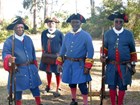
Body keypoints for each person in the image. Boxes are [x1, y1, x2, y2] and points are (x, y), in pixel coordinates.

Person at [2, 17, 43, 105]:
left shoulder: (28, 39)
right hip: (18, 69)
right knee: (18, 89)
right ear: (14, 29)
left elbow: (33, 53)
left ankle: (39, 103)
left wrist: (35, 65)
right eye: (18, 27)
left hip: (31, 68)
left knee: (35, 87)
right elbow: (5, 53)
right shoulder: (9, 41)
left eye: (21, 27)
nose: (20, 29)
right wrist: (9, 58)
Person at [56, 13, 94, 105]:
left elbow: (91, 52)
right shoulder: (67, 36)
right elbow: (62, 50)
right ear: (71, 23)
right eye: (73, 22)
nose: (75, 24)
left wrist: (87, 66)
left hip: (80, 65)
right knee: (71, 83)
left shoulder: (86, 35)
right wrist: (59, 63)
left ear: (80, 23)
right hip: (68, 64)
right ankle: (74, 100)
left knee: (82, 86)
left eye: (77, 22)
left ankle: (85, 103)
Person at [100, 12, 137, 105]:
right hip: (111, 65)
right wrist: (102, 56)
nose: (118, 23)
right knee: (112, 86)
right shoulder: (108, 34)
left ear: (123, 22)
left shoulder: (129, 34)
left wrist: (133, 65)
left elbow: (133, 50)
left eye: (120, 21)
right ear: (114, 22)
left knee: (122, 86)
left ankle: (119, 103)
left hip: (124, 66)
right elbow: (104, 48)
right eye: (116, 21)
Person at [39, 17, 64, 97]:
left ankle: (58, 87)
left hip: (56, 56)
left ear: (55, 24)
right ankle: (48, 86)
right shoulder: (43, 33)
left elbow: (63, 45)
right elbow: (42, 43)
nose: (51, 24)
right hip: (47, 56)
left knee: (57, 72)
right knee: (48, 71)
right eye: (49, 23)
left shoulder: (59, 33)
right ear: (47, 24)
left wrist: (61, 56)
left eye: (52, 23)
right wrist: (44, 53)